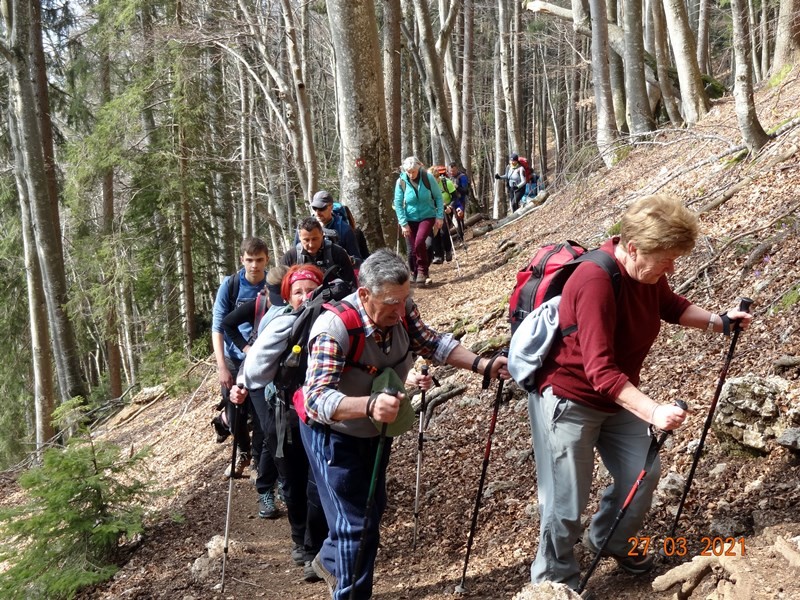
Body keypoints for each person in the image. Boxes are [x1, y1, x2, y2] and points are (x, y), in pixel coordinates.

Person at [525, 195, 752, 592]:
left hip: (616, 397)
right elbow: (599, 371)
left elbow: (670, 305)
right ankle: (552, 583)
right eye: (666, 259)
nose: (672, 267)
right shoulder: (594, 281)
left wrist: (719, 322)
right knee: (565, 505)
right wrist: (653, 411)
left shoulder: (646, 272)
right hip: (571, 401)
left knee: (642, 473)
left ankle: (611, 539)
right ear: (632, 248)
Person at [300, 249, 510, 600]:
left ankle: (330, 559)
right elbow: (315, 399)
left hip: (376, 432)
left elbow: (432, 343)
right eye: (391, 304)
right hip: (333, 436)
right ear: (364, 294)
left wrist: (482, 365)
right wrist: (367, 405)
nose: (401, 313)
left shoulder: (402, 310)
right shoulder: (332, 328)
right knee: (357, 527)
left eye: (405, 301)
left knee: (371, 510)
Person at [231, 264, 329, 582]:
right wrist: (241, 384)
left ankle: (314, 550)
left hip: (321, 417)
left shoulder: (333, 320)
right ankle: (300, 541)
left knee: (317, 483)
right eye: (297, 291)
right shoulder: (282, 322)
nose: (305, 296)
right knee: (292, 481)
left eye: (310, 289)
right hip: (283, 413)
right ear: (287, 295)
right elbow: (256, 364)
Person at [221, 265, 288, 519]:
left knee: (278, 432)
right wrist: (246, 349)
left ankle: (281, 482)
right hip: (257, 378)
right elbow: (227, 324)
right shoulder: (260, 305)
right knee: (267, 431)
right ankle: (266, 490)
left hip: (282, 378)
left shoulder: (293, 308)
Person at [211, 237, 270, 479]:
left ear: (267, 260)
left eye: (259, 260)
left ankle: (257, 459)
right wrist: (222, 366)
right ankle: (243, 451)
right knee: (234, 408)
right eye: (249, 260)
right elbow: (218, 326)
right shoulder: (231, 285)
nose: (254, 265)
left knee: (259, 411)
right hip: (234, 357)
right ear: (241, 260)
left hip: (264, 358)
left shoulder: (273, 284)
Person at [393, 156, 444, 286]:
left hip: (427, 216)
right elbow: (398, 204)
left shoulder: (428, 178)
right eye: (408, 172)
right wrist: (403, 224)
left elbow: (438, 197)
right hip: (409, 218)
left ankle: (422, 271)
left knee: (420, 241)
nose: (410, 174)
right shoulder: (401, 182)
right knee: (411, 250)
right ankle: (415, 273)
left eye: (413, 172)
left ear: (418, 168)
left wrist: (439, 216)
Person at [281, 217, 358, 291]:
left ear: (322, 235)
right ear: (300, 237)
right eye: (306, 240)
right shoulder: (290, 257)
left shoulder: (337, 253)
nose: (311, 244)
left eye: (315, 239)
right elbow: (284, 288)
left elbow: (351, 284)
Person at [306, 190, 362, 266]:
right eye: (314, 208)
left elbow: (358, 261)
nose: (317, 213)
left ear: (331, 207)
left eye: (321, 208)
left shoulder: (344, 230)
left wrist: (349, 259)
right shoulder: (305, 229)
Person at [428, 166, 455, 264]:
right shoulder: (427, 186)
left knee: (444, 231)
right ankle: (438, 255)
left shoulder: (446, 183)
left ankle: (448, 250)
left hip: (446, 209)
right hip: (432, 210)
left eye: (434, 180)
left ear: (438, 177)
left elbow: (455, 197)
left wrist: (450, 207)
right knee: (435, 232)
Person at [447, 162, 469, 245]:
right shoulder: (448, 177)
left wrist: (456, 187)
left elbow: (465, 190)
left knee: (459, 218)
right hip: (451, 201)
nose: (452, 173)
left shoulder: (462, 177)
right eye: (451, 171)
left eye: (454, 171)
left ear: (457, 169)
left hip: (461, 200)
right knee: (449, 219)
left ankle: (461, 237)